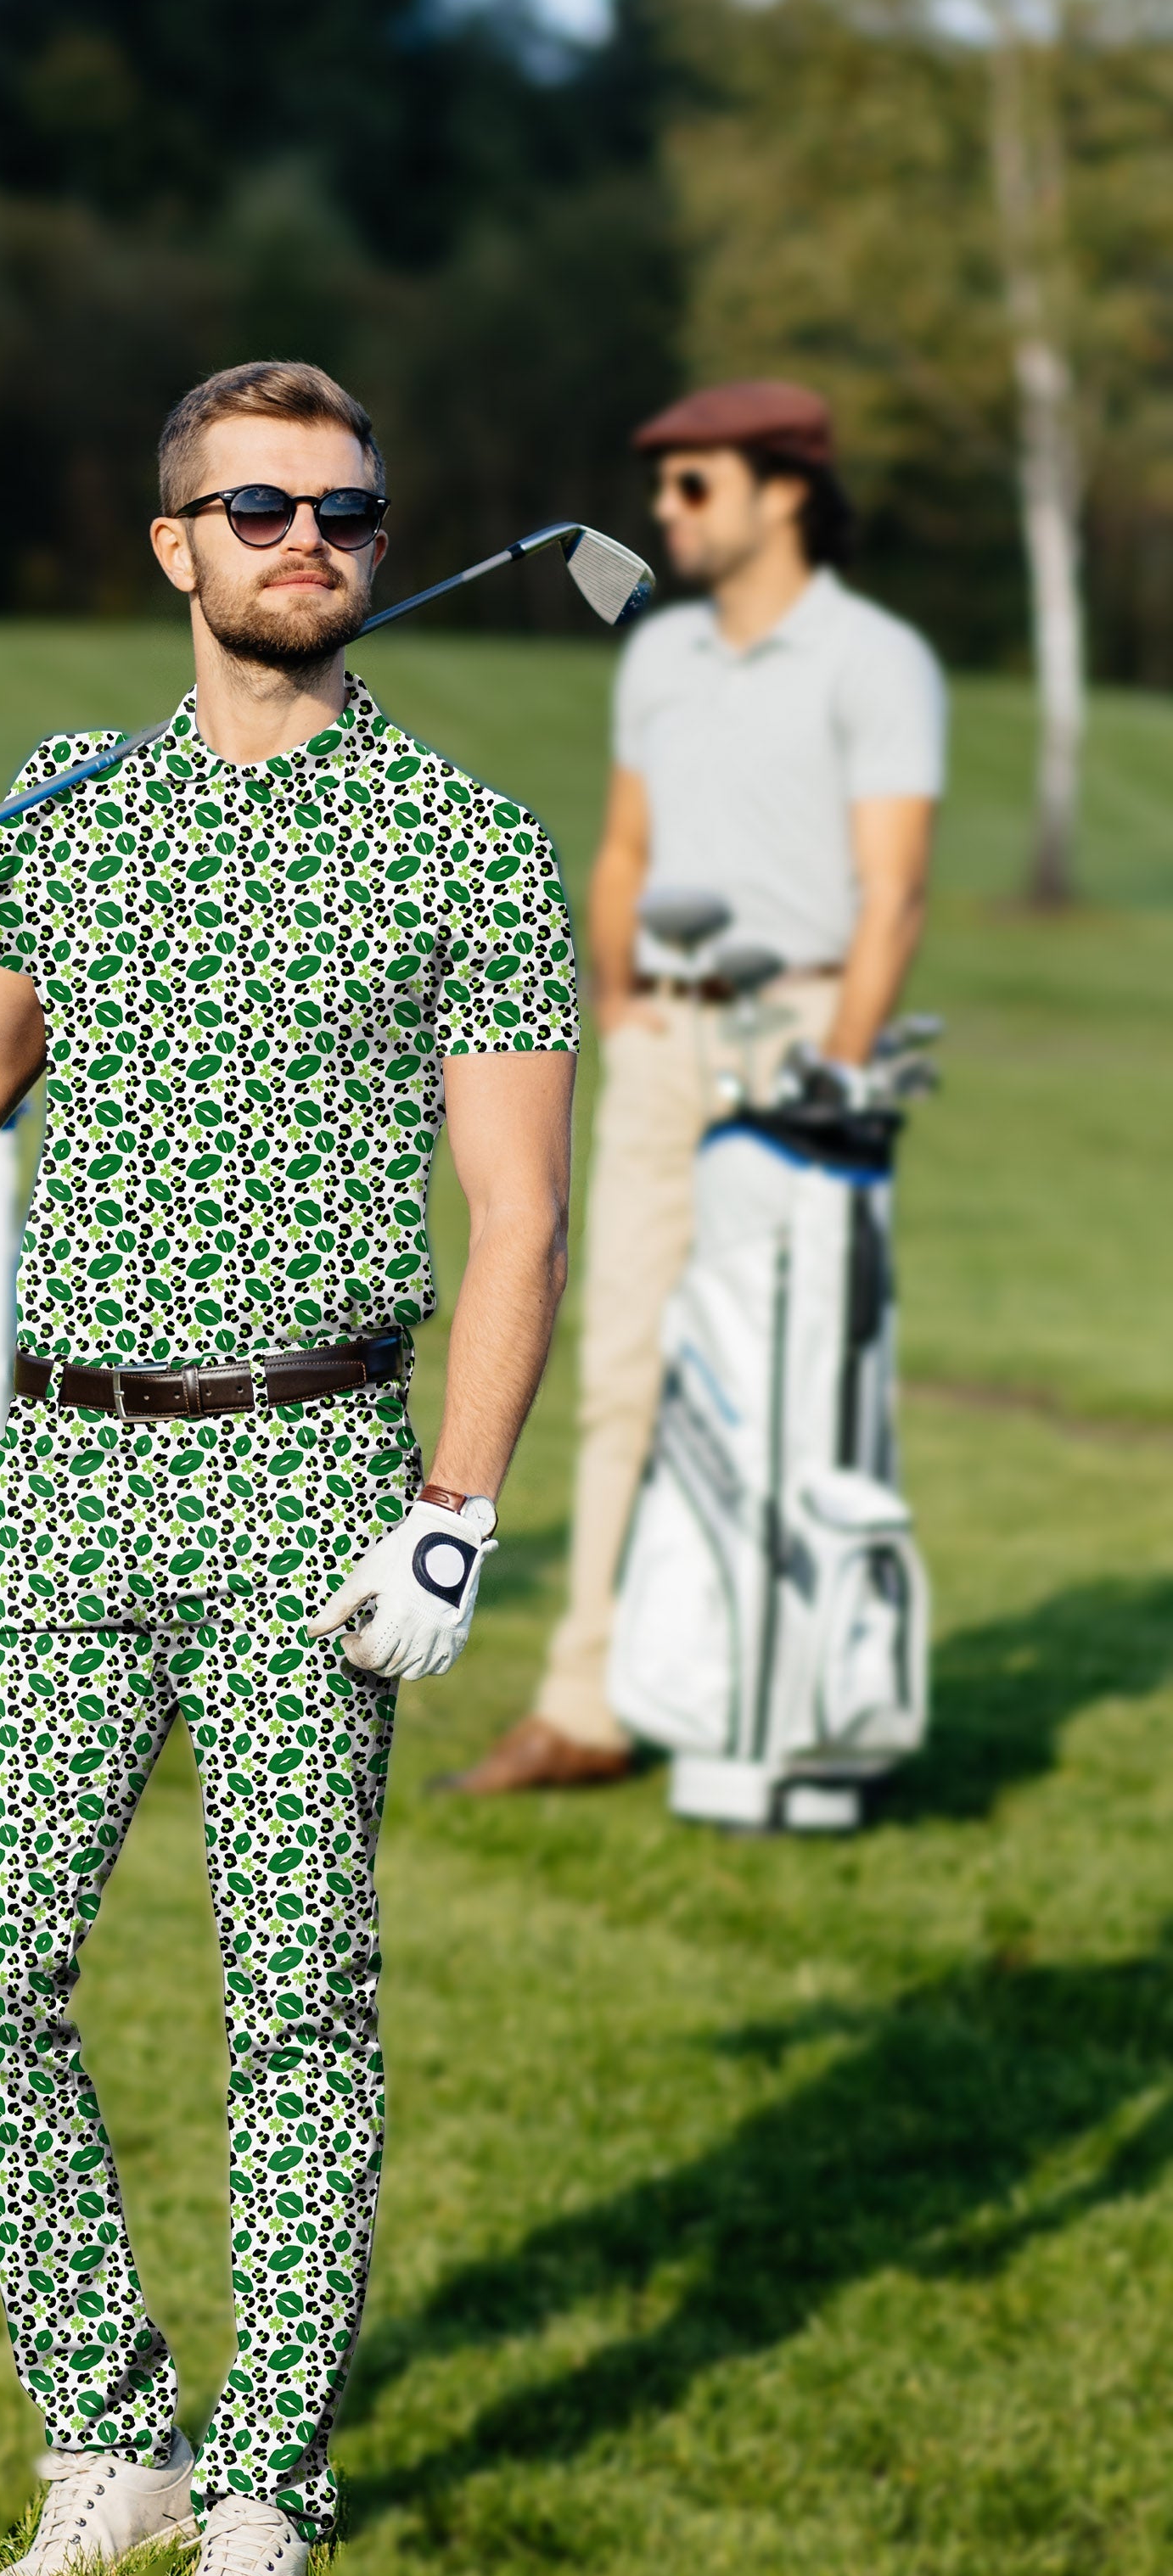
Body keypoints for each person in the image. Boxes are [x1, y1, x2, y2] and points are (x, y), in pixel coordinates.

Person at [0, 359, 576, 2576]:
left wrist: (458, 1506)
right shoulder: (75, 812)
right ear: (179, 550)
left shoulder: (472, 840)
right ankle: (110, 2430)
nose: (305, 539)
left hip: (313, 1466)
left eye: (342, 507)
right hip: (64, 1469)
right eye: (256, 508)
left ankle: (269, 2487)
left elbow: (519, 1220)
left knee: (292, 2003)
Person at [447, 377, 945, 1797]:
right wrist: (623, 1007)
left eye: (694, 486)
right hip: (663, 1041)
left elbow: (894, 894)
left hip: (800, 1039)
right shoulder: (658, 657)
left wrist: (835, 1077)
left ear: (786, 489)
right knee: (618, 1374)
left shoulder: (876, 658)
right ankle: (590, 1701)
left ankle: (776, 1701)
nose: (665, 513)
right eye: (660, 487)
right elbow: (622, 854)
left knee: (782, 1381)